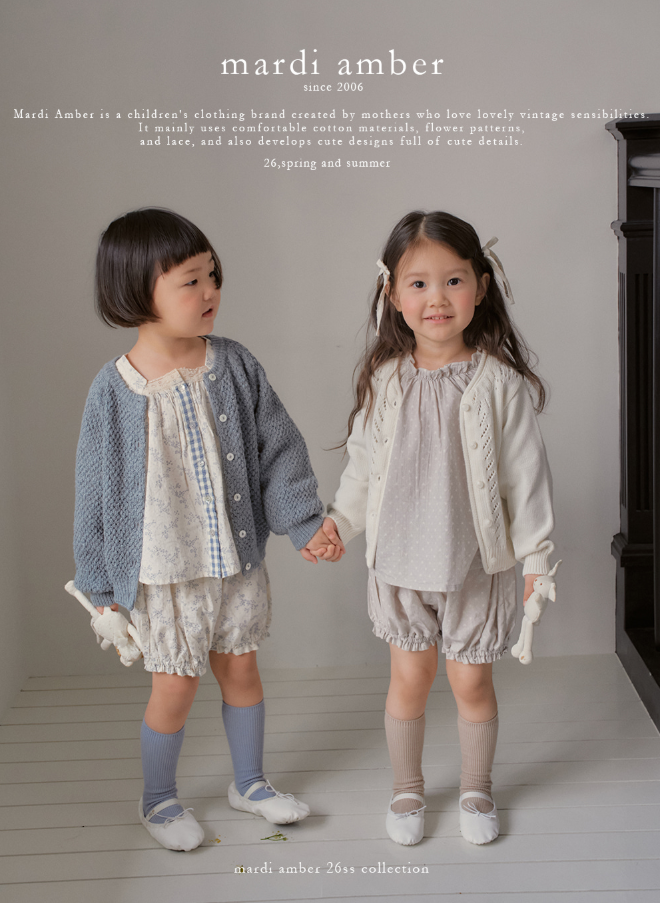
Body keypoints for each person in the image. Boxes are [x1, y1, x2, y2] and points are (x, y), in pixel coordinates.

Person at [73, 208, 335, 851]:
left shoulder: (235, 364)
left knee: (242, 670)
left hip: (235, 560)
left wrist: (304, 521)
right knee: (176, 685)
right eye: (190, 281)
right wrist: (99, 586)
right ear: (137, 291)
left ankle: (250, 783)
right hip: (164, 574)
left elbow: (280, 448)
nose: (210, 290)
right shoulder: (113, 391)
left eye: (212, 274)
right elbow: (95, 495)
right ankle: (158, 801)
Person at [319, 210, 555, 846]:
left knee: (471, 679)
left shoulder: (499, 385)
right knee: (410, 678)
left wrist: (537, 559)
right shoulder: (386, 380)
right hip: (399, 561)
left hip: (475, 563)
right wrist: (339, 523)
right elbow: (363, 468)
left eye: (453, 280)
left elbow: (525, 479)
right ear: (393, 294)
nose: (437, 298)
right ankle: (407, 789)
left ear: (481, 286)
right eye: (418, 283)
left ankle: (477, 788)